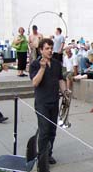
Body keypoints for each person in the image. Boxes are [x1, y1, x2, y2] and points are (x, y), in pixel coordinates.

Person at [29, 38, 68, 168]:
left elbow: (60, 80)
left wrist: (65, 92)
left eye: (51, 48)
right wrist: (42, 68)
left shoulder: (56, 63)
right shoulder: (35, 64)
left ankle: (48, 154)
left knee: (52, 130)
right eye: (47, 48)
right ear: (41, 50)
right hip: (42, 103)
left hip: (54, 101)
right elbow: (35, 82)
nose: (50, 50)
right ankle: (41, 158)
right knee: (44, 130)